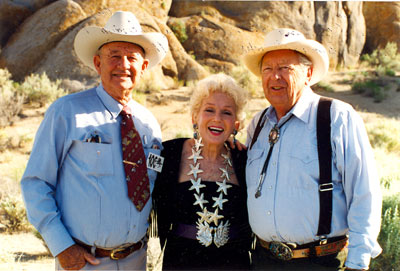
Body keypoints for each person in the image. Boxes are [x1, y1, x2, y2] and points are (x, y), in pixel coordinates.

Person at [20, 11, 168, 270]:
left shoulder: (149, 123)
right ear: (98, 63)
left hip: (137, 259)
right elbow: (36, 183)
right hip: (84, 262)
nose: (123, 65)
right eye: (114, 57)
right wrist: (61, 246)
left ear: (143, 67)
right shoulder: (66, 112)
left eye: (131, 58)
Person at [242, 28, 382, 270]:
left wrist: (358, 262)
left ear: (308, 73)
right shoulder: (258, 124)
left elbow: (364, 192)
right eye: (268, 69)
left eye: (285, 68)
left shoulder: (336, 117)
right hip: (263, 260)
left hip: (320, 262)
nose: (275, 77)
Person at [152, 74, 252, 270]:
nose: (217, 119)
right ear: (194, 117)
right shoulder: (169, 154)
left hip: (233, 263)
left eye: (227, 113)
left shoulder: (245, 160)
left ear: (237, 124)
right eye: (209, 110)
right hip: (180, 263)